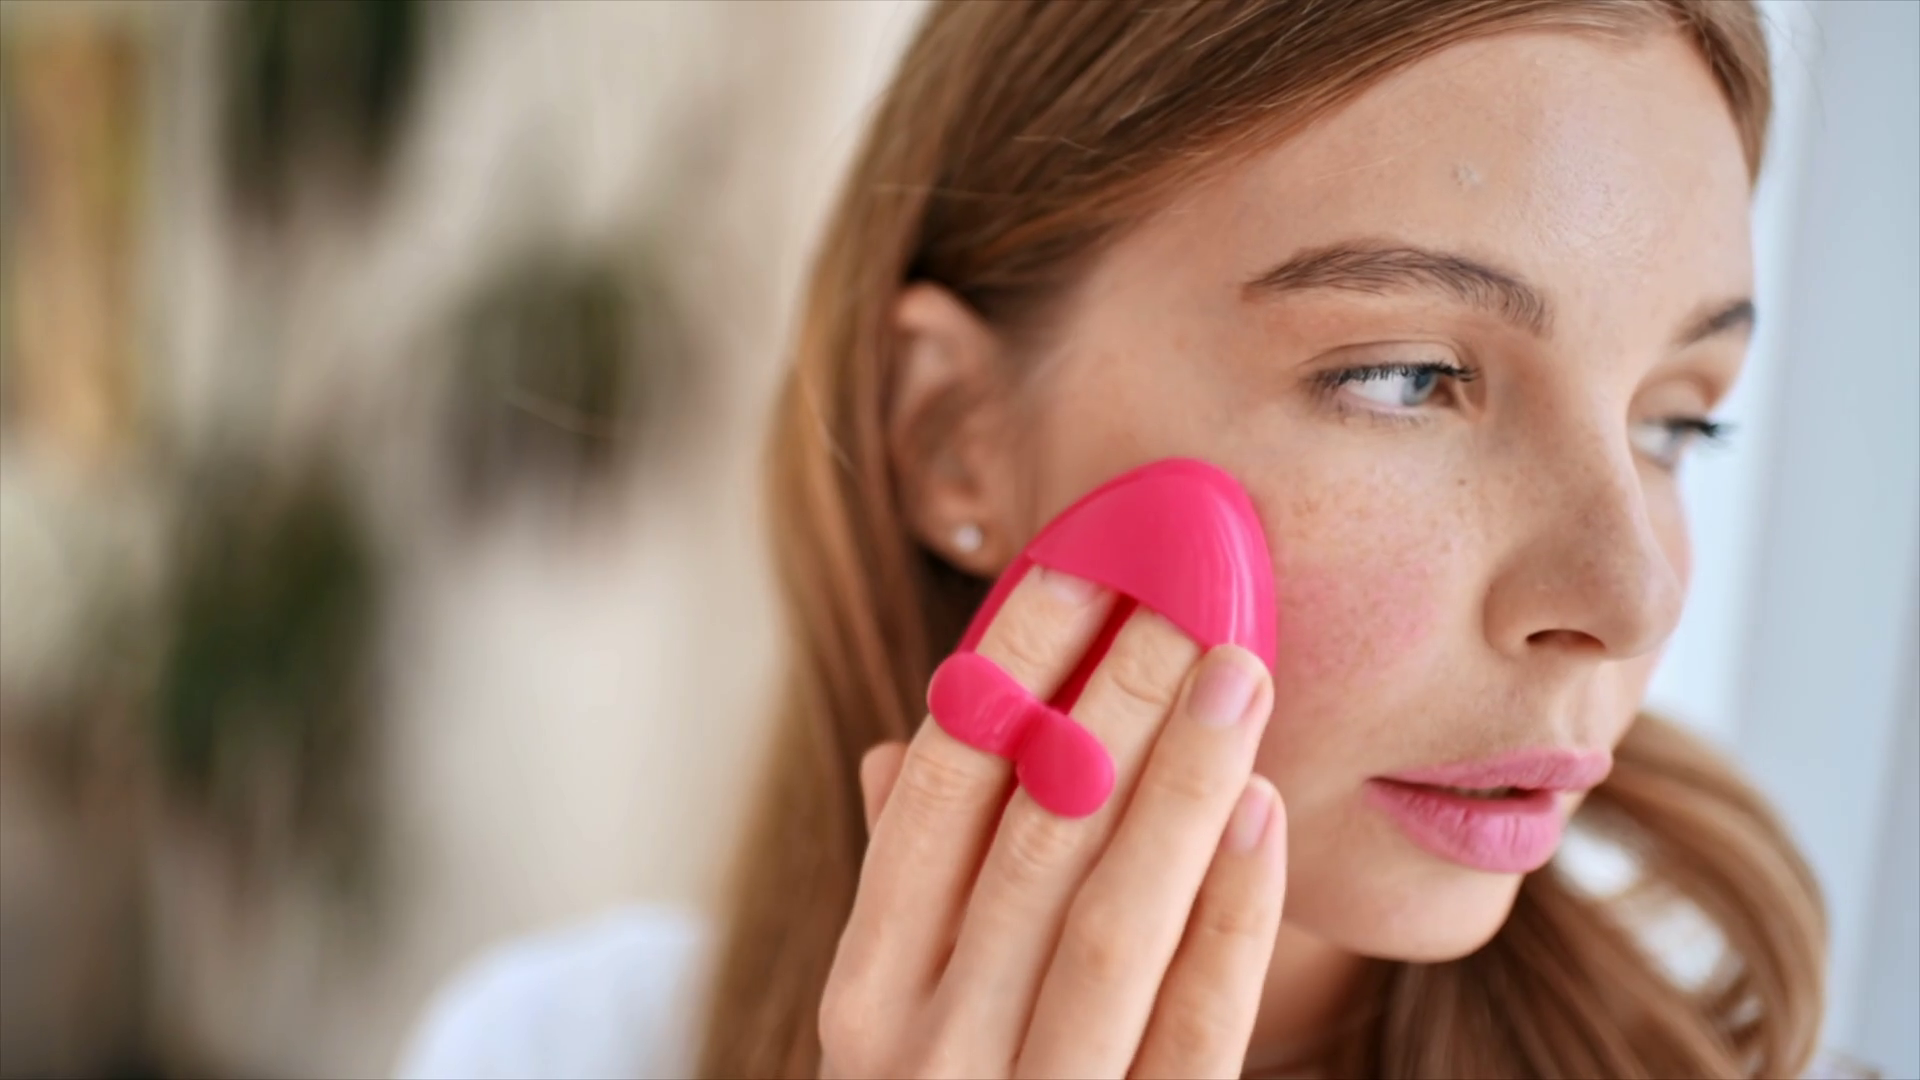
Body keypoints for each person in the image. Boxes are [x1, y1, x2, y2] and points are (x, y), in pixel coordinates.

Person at [399, 1, 1849, 1076]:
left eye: (1678, 421)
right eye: (1407, 377)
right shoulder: (555, 1049)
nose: (1629, 593)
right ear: (952, 437)